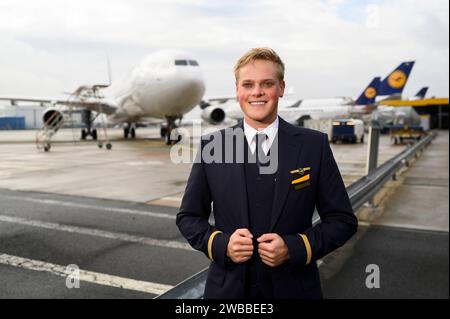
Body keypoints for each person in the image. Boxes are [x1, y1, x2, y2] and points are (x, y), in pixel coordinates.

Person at [176, 47, 358, 299]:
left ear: (281, 88)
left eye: (267, 83)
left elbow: (342, 221)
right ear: (237, 90)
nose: (257, 92)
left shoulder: (313, 146)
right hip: (228, 293)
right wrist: (221, 244)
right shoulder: (213, 146)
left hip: (294, 289)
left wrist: (295, 248)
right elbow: (188, 217)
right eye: (248, 84)